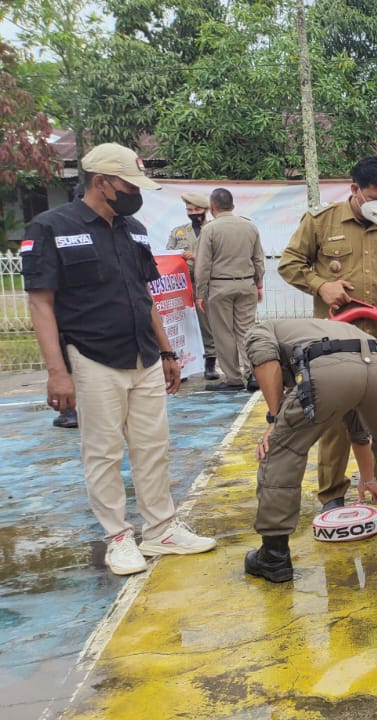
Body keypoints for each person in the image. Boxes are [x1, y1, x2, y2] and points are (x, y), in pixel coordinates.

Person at [21, 142, 217, 575]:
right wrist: (58, 373)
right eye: (129, 185)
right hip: (92, 356)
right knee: (104, 452)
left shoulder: (134, 229)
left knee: (153, 447)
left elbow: (145, 294)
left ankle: (161, 530)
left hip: (143, 354)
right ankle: (118, 537)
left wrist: (166, 350)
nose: (135, 193)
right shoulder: (51, 226)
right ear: (101, 182)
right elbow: (40, 304)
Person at [278, 155, 377, 511]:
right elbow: (289, 264)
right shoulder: (320, 222)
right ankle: (332, 495)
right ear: (355, 190)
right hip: (335, 339)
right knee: (333, 422)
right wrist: (321, 286)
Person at [243, 319, 377, 582]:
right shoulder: (330, 331)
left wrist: (274, 418)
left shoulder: (260, 329)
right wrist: (369, 478)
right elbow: (358, 425)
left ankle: (274, 556)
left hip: (327, 371)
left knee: (283, 451)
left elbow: (264, 358)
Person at [195, 188, 264, 392]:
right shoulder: (250, 227)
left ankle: (233, 379)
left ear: (212, 207)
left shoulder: (210, 230)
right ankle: (252, 375)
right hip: (246, 284)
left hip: (219, 286)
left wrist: (200, 292)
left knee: (223, 333)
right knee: (247, 330)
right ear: (232, 206)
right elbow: (258, 259)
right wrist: (258, 284)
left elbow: (203, 265)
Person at [167, 191, 219, 380]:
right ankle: (183, 366)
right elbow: (168, 254)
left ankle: (210, 363)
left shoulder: (214, 229)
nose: (192, 213)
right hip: (182, 283)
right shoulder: (179, 231)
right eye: (189, 210)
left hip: (205, 283)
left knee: (206, 324)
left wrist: (196, 257)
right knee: (182, 324)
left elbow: (221, 257)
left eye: (196, 209)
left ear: (206, 210)